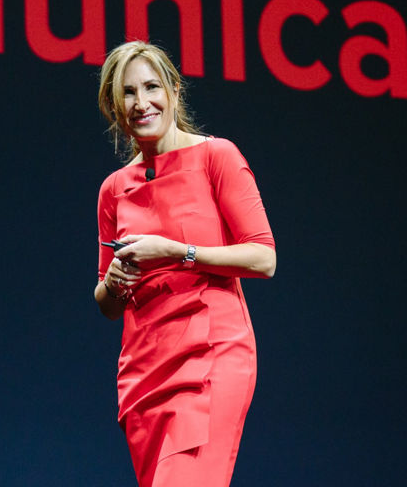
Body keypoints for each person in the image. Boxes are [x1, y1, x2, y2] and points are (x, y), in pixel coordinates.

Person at [93, 41, 277, 487]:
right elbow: (106, 300)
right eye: (128, 93)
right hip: (144, 372)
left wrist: (178, 251)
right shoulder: (113, 189)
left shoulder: (217, 156)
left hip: (211, 356)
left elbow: (263, 257)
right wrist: (114, 283)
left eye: (152, 87)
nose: (142, 103)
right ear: (115, 107)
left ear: (174, 90)